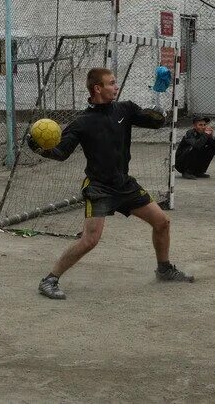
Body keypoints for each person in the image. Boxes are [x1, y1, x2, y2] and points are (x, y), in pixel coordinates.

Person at [32, 67, 195, 300]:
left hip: (124, 184)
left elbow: (155, 123)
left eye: (115, 83)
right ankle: (49, 280)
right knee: (90, 240)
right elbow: (61, 153)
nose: (116, 86)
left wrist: (160, 105)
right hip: (99, 187)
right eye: (111, 83)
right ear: (97, 88)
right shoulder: (82, 122)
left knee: (162, 222)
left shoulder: (125, 109)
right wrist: (39, 148)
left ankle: (164, 269)